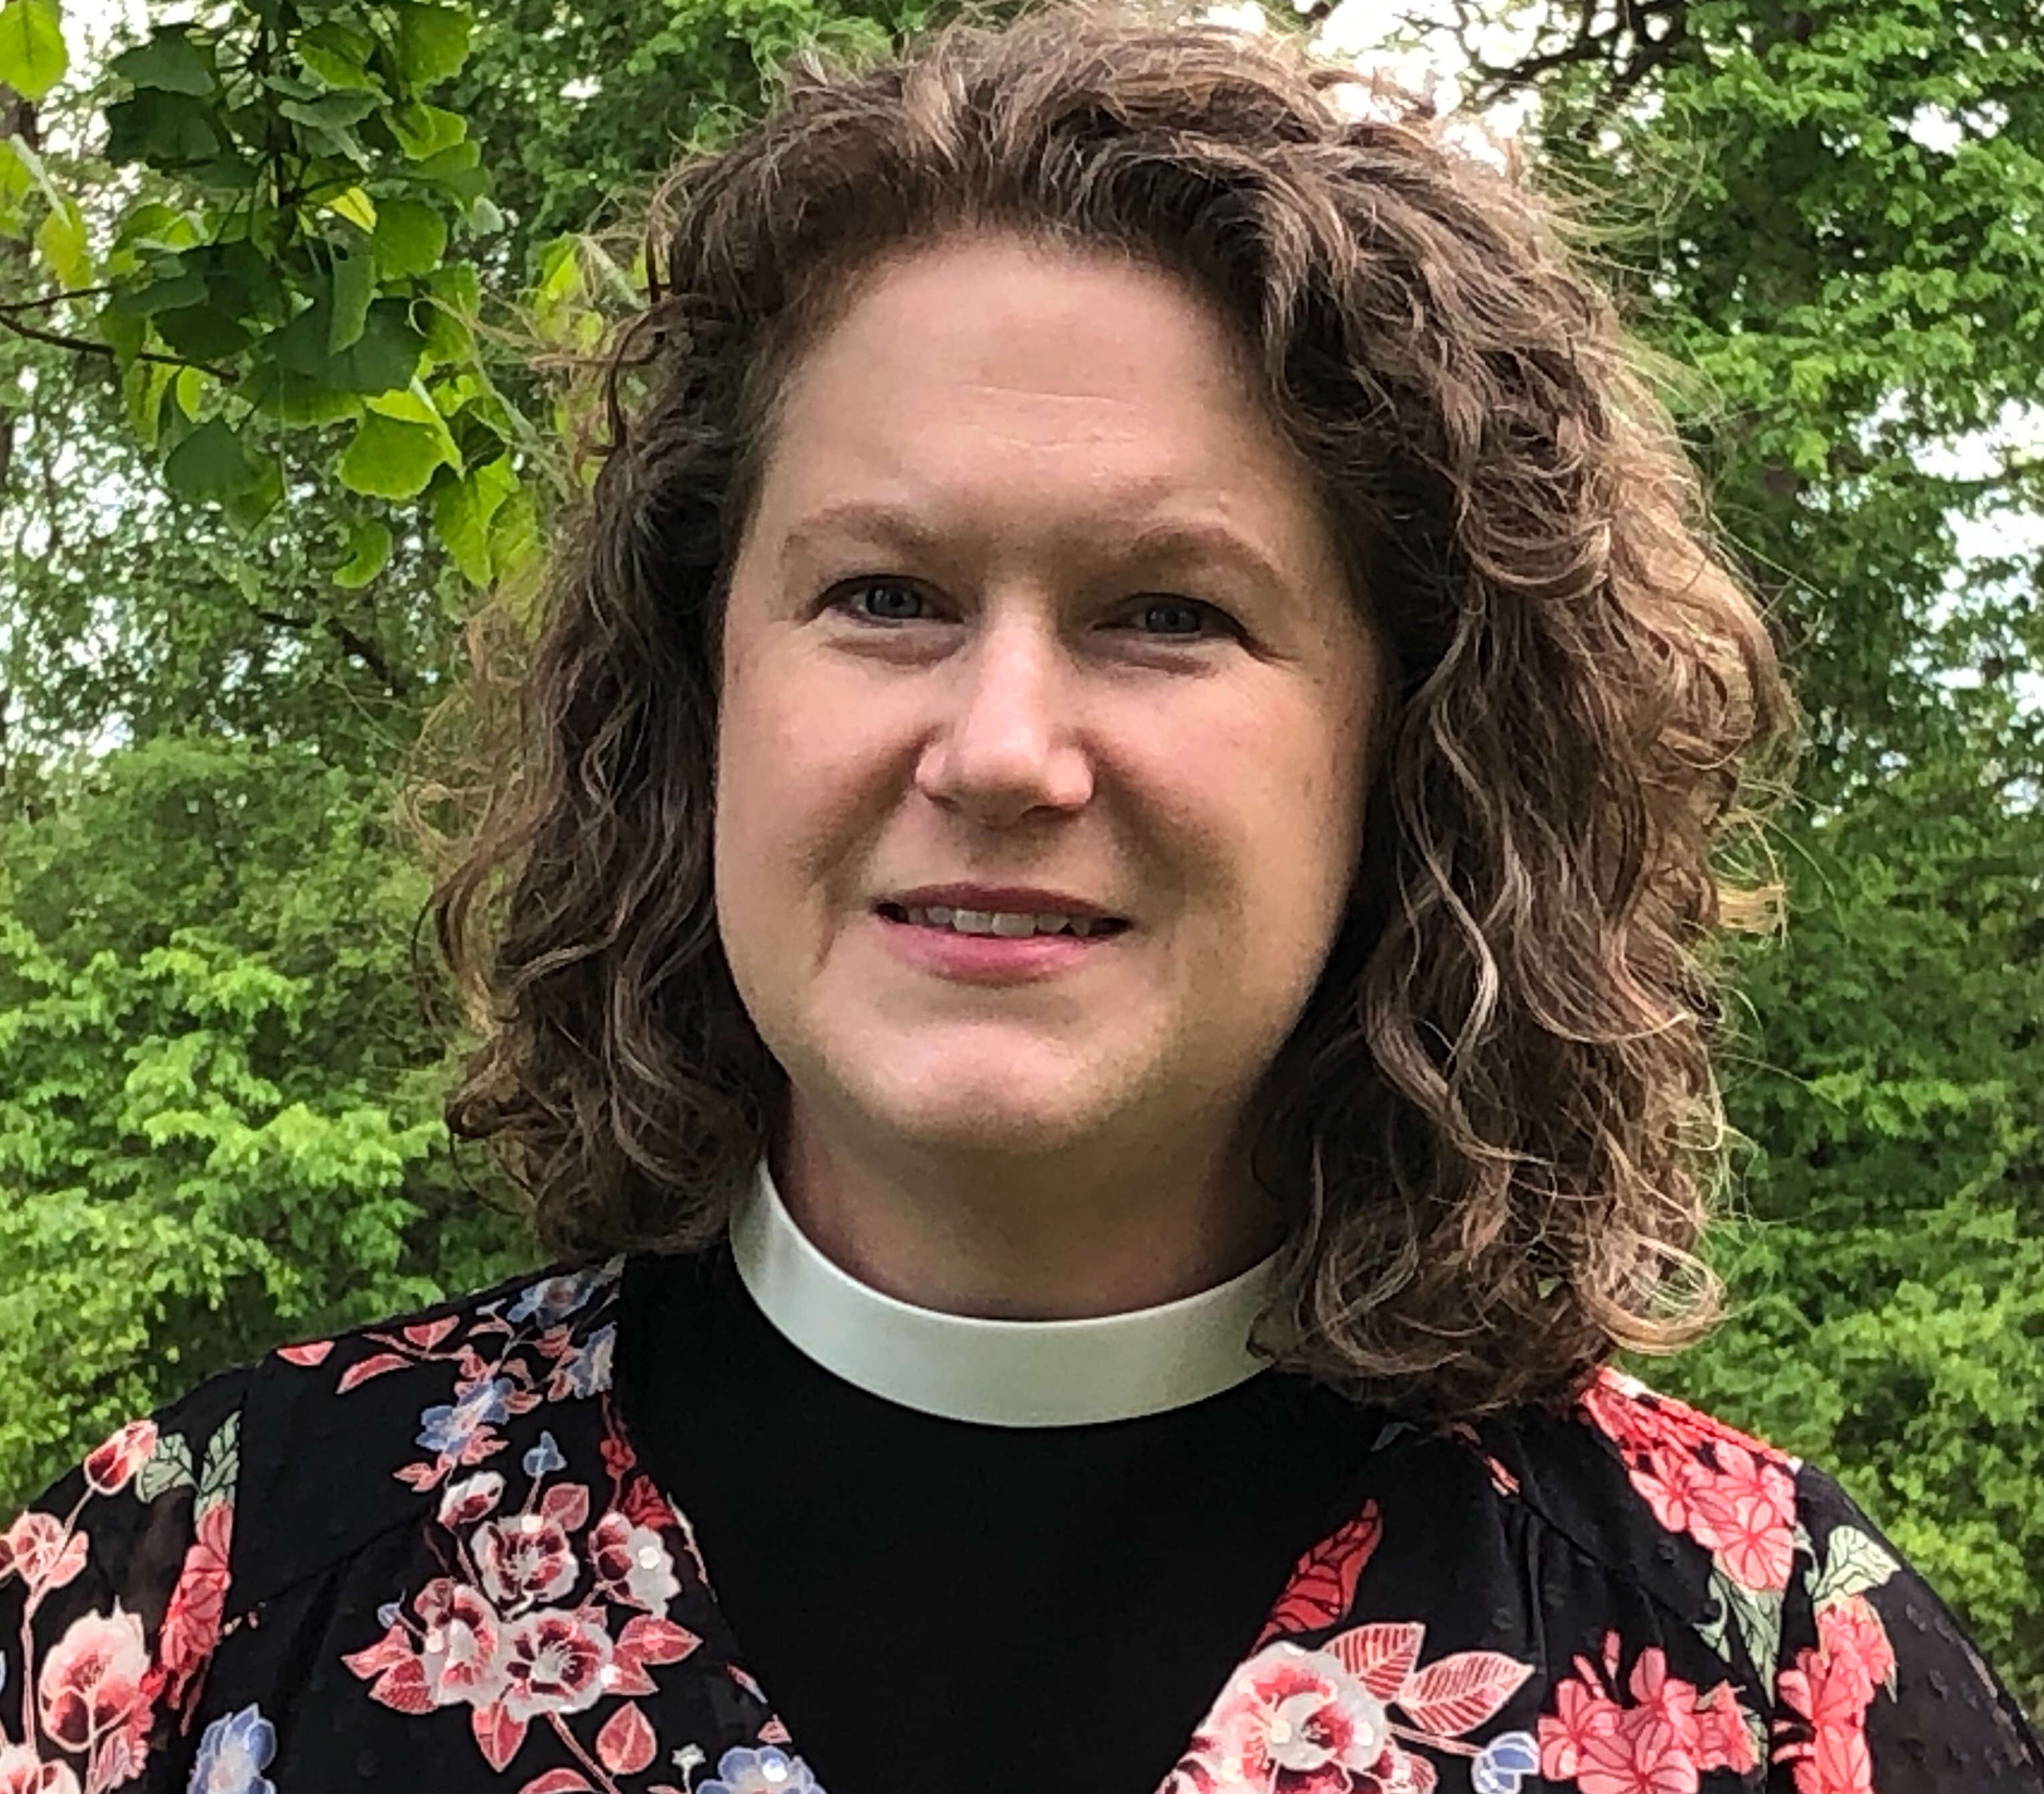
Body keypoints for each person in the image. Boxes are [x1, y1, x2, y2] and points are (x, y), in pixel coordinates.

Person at [3, 6, 2039, 1792]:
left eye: (1170, 612)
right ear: (701, 690)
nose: (1000, 748)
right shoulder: (198, 1604)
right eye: (884, 594)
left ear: (1413, 739)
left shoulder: (1768, 1686)